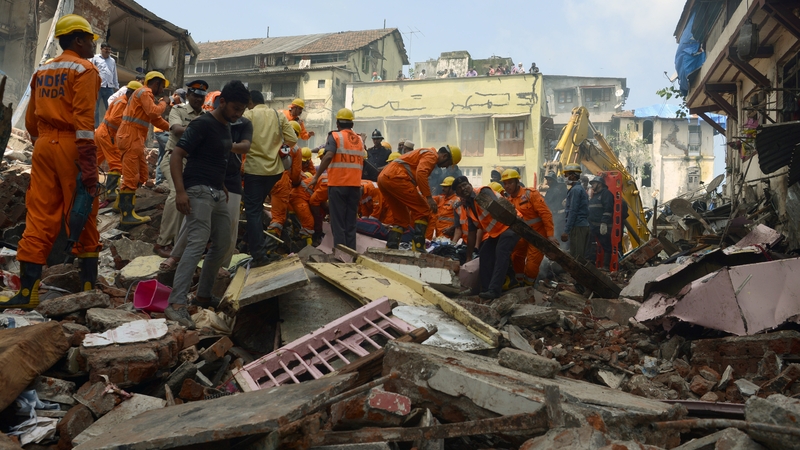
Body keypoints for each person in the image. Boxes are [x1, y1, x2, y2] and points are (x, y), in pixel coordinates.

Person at [1, 14, 101, 309]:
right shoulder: (84, 70)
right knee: (83, 210)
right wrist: (87, 162)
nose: (94, 45)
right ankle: (86, 287)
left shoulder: (43, 71)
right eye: (91, 39)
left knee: (39, 214)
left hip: (44, 145)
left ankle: (27, 292)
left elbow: (31, 119)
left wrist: (43, 144)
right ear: (78, 39)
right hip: (72, 146)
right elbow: (84, 121)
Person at [165, 80, 250, 329]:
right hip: (197, 190)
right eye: (235, 108)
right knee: (197, 243)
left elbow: (214, 158)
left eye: (241, 111)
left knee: (223, 244)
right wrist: (181, 191)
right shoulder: (202, 123)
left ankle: (202, 295)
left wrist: (221, 183)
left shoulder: (226, 127)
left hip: (216, 191)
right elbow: (177, 155)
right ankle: (177, 303)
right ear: (221, 102)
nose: (238, 114)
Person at [242, 90, 297, 266]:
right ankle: (256, 249)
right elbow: (293, 138)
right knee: (256, 209)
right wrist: (278, 148)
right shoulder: (277, 115)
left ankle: (258, 254)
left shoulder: (247, 114)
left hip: (253, 170)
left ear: (250, 101)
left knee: (253, 211)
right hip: (275, 172)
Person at [154, 79, 207, 259]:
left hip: (194, 162)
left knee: (195, 198)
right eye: (195, 96)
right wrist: (201, 128)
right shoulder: (178, 110)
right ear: (188, 95)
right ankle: (163, 242)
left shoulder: (207, 115)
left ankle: (180, 242)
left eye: (201, 97)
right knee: (176, 193)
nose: (198, 100)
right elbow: (177, 130)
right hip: (173, 158)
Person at [377, 144, 461, 251]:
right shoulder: (432, 156)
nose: (446, 167)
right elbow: (421, 173)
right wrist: (429, 198)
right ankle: (418, 247)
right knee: (424, 211)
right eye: (448, 164)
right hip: (397, 178)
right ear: (444, 156)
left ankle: (391, 246)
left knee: (402, 218)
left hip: (384, 179)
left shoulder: (425, 153)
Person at [115, 71, 170, 225]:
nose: (163, 91)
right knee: (131, 177)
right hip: (131, 137)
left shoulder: (143, 95)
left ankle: (120, 204)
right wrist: (164, 103)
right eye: (162, 86)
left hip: (134, 137)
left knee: (143, 174)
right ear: (156, 83)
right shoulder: (145, 92)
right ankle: (126, 215)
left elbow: (157, 120)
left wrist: (173, 128)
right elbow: (154, 112)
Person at [452, 176, 520, 299]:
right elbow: (472, 232)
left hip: (512, 225)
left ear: (470, 185)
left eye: (465, 185)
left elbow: (498, 207)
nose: (463, 189)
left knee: (501, 253)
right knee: (485, 253)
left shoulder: (482, 192)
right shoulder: (468, 208)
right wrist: (468, 256)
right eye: (459, 188)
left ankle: (494, 290)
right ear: (457, 194)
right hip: (497, 232)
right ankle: (486, 289)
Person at [309, 108, 364, 249]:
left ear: (338, 123)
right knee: (350, 223)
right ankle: (350, 254)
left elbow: (328, 156)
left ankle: (340, 254)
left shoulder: (335, 136)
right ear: (352, 124)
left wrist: (316, 177)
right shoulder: (359, 140)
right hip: (355, 186)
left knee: (338, 222)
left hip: (338, 185)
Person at [502, 169, 556, 285]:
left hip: (537, 234)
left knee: (532, 264)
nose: (507, 186)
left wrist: (550, 235)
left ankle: (529, 286)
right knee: (516, 257)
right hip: (521, 235)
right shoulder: (508, 201)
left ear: (517, 182)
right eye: (505, 183)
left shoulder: (530, 194)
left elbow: (546, 214)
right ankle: (519, 283)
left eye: (510, 182)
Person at [95, 80, 142, 203]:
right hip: (108, 134)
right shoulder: (123, 102)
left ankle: (82, 182)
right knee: (116, 163)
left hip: (103, 132)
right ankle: (110, 192)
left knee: (94, 160)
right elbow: (113, 119)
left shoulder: (122, 101)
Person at [266, 121, 303, 238]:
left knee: (254, 212)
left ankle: (248, 243)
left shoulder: (270, 141)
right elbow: (296, 175)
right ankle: (268, 250)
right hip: (281, 181)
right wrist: (295, 184)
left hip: (262, 177)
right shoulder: (295, 148)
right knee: (278, 218)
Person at [560, 164, 590, 261]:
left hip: (578, 226)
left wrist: (566, 231)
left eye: (566, 175)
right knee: (578, 255)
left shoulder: (575, 190)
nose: (565, 178)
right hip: (582, 225)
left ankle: (579, 276)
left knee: (577, 257)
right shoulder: (579, 189)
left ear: (573, 175)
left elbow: (573, 211)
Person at [588, 175, 614, 270]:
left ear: (600, 184)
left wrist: (604, 223)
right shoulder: (595, 195)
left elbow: (608, 209)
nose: (592, 185)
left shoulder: (606, 194)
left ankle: (606, 266)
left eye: (594, 183)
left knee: (606, 245)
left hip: (602, 226)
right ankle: (592, 264)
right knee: (591, 245)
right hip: (593, 226)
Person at [91, 42, 118, 127]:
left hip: (109, 87)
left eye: (109, 50)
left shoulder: (112, 60)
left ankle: (108, 126)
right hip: (98, 86)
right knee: (95, 108)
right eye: (106, 49)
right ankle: (95, 127)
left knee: (111, 108)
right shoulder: (95, 58)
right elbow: (91, 71)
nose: (108, 51)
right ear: (101, 49)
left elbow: (114, 73)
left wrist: (116, 86)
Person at [543, 172, 568, 245]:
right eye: (547, 179)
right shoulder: (550, 190)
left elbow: (549, 201)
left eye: (550, 179)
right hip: (553, 215)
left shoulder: (557, 190)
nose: (548, 181)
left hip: (558, 216)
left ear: (554, 180)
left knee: (558, 234)